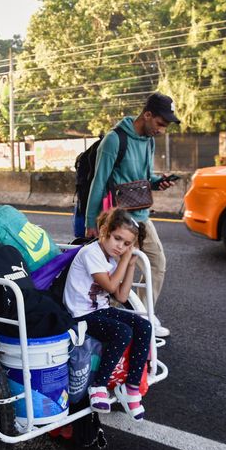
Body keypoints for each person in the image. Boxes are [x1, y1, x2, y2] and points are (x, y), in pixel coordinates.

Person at [84, 92, 180, 338]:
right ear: (147, 115)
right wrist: (91, 223)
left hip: (142, 216)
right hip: (118, 220)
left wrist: (159, 183)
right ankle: (110, 321)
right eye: (160, 123)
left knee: (157, 263)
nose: (161, 130)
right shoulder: (115, 140)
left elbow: (144, 178)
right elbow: (98, 182)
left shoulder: (149, 140)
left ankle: (145, 315)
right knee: (118, 273)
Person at [64, 208, 152, 421]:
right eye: (117, 238)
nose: (120, 246)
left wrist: (130, 264)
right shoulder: (91, 253)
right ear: (104, 231)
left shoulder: (115, 257)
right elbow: (112, 286)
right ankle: (98, 386)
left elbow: (121, 296)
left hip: (99, 310)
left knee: (144, 326)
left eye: (126, 244)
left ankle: (131, 389)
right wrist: (125, 259)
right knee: (122, 332)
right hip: (80, 314)